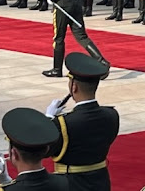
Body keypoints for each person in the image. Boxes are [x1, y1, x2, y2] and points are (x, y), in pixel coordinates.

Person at [45, 53, 119, 191]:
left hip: (71, 184)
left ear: (74, 87)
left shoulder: (63, 123)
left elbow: (43, 150)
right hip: (101, 183)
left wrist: (49, 119)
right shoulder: (112, 115)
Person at [0, 107, 68, 190]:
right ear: (46, 150)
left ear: (14, 153)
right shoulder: (66, 182)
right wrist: (6, 181)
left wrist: (5, 181)